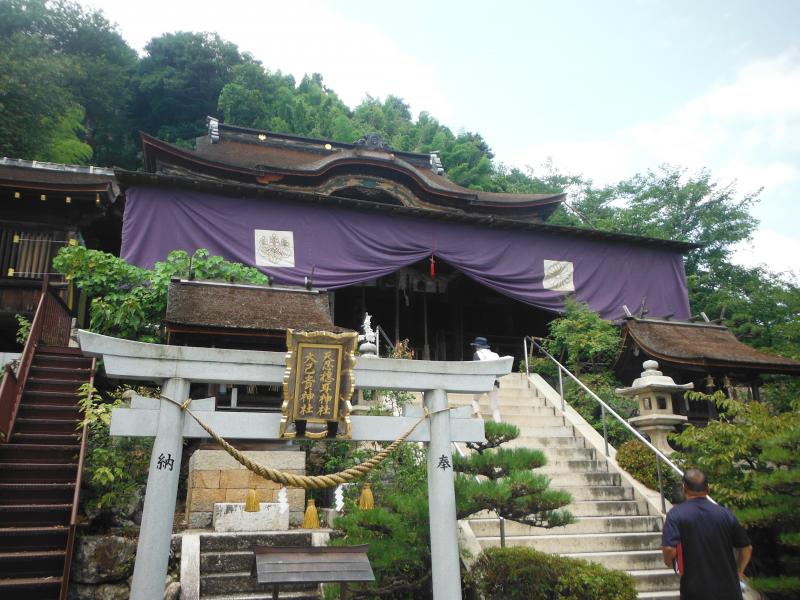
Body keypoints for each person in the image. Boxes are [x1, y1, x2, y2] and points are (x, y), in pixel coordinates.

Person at [662, 468, 753, 600]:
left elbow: (669, 549)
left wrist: (670, 563)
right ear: (708, 488)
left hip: (695, 591)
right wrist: (738, 571)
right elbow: (746, 548)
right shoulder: (725, 514)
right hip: (729, 590)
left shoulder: (676, 515)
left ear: (684, 488)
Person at [469, 336, 501, 422]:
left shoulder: (477, 354)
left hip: (483, 382)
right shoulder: (495, 355)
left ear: (477, 346)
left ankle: (480, 419)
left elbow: (476, 370)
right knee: (495, 408)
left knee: (475, 401)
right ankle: (499, 426)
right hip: (495, 382)